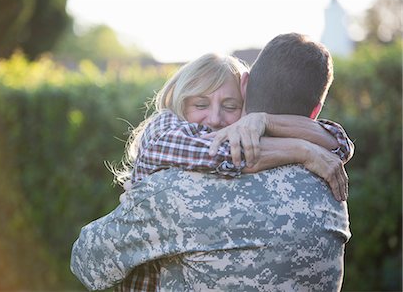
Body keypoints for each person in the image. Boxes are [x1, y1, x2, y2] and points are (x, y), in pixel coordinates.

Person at [71, 33, 353, 291]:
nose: (216, 118)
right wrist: (304, 150)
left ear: (244, 93)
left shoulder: (174, 191)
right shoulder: (329, 185)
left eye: (230, 106)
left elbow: (87, 262)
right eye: (200, 104)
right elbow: (336, 142)